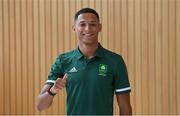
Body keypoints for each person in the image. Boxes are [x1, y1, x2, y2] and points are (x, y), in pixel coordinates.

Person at [36, 7, 132, 115]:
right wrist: (52, 91)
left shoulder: (115, 61)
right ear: (74, 28)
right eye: (82, 24)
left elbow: (125, 107)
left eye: (93, 24)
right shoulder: (63, 60)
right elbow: (40, 105)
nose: (87, 29)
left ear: (99, 27)